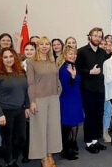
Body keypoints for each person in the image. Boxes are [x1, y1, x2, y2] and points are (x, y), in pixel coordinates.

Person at [26, 37, 62, 166]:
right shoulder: (31, 62)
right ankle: (42, 157)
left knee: (52, 128)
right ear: (38, 46)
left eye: (47, 44)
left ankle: (50, 154)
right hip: (39, 99)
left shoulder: (53, 61)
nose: (45, 46)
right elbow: (30, 84)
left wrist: (58, 93)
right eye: (42, 44)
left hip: (53, 99)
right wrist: (32, 101)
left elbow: (57, 80)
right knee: (40, 129)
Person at [0, 48, 29, 167]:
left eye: (11, 56)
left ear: (15, 57)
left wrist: (27, 106)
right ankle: (10, 162)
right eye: (5, 57)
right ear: (1, 59)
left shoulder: (21, 72)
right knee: (7, 139)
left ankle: (13, 157)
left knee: (21, 138)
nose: (9, 59)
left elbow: (26, 90)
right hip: (5, 112)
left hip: (20, 110)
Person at [75, 27, 109, 154]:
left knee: (98, 116)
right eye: (95, 35)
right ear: (89, 36)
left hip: (100, 89)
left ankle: (95, 140)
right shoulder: (82, 52)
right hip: (88, 89)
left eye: (100, 36)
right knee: (89, 116)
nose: (97, 38)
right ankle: (89, 142)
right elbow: (77, 70)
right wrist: (90, 72)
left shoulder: (103, 52)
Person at [58, 46, 84, 160]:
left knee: (71, 125)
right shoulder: (63, 69)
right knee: (66, 127)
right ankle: (64, 151)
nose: (73, 56)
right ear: (65, 55)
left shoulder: (73, 66)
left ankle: (68, 148)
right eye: (70, 54)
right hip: (68, 100)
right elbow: (66, 87)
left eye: (74, 54)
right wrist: (73, 76)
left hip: (75, 98)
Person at [21, 42, 35, 163]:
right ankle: (26, 153)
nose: (29, 51)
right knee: (26, 129)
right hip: (24, 101)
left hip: (37, 100)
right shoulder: (20, 66)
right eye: (27, 49)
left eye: (32, 49)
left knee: (36, 128)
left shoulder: (39, 64)